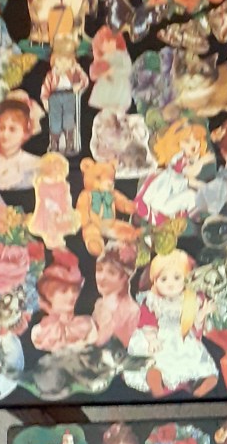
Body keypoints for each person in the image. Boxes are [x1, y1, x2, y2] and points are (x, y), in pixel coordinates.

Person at [124, 250, 218, 398]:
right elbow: (147, 321)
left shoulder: (190, 300)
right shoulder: (152, 301)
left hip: (184, 337)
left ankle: (200, 383)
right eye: (164, 279)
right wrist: (152, 339)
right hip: (160, 337)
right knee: (160, 360)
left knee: (191, 359)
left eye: (177, 278)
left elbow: (195, 325)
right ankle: (157, 381)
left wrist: (202, 313)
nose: (170, 284)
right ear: (154, 281)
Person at [134, 118, 215, 225]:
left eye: (197, 140)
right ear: (175, 143)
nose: (194, 144)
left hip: (174, 190)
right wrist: (203, 162)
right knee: (190, 196)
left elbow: (190, 177)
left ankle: (194, 215)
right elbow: (189, 174)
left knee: (191, 196)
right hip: (163, 198)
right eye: (187, 141)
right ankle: (192, 216)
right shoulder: (177, 159)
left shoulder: (186, 157)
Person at [31, 249, 98, 352]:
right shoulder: (41, 332)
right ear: (48, 296)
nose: (72, 295)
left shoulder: (87, 324)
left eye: (75, 290)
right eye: (63, 290)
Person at [91, 241, 140, 347]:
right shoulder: (100, 304)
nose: (102, 277)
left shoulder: (132, 311)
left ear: (125, 277)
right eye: (99, 270)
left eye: (111, 272)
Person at [0, 91, 43, 190]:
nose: (5, 134)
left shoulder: (35, 164)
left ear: (25, 133)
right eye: (2, 128)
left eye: (12, 129)